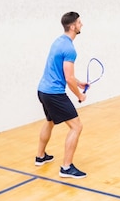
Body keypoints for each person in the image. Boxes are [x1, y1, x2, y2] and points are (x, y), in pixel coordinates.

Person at [35, 12, 89, 179]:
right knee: (76, 126)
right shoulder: (70, 49)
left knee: (50, 121)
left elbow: (61, 71)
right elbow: (68, 78)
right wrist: (80, 95)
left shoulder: (58, 41)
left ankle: (40, 156)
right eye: (79, 23)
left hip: (43, 90)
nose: (81, 25)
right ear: (72, 26)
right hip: (54, 94)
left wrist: (78, 82)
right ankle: (66, 167)